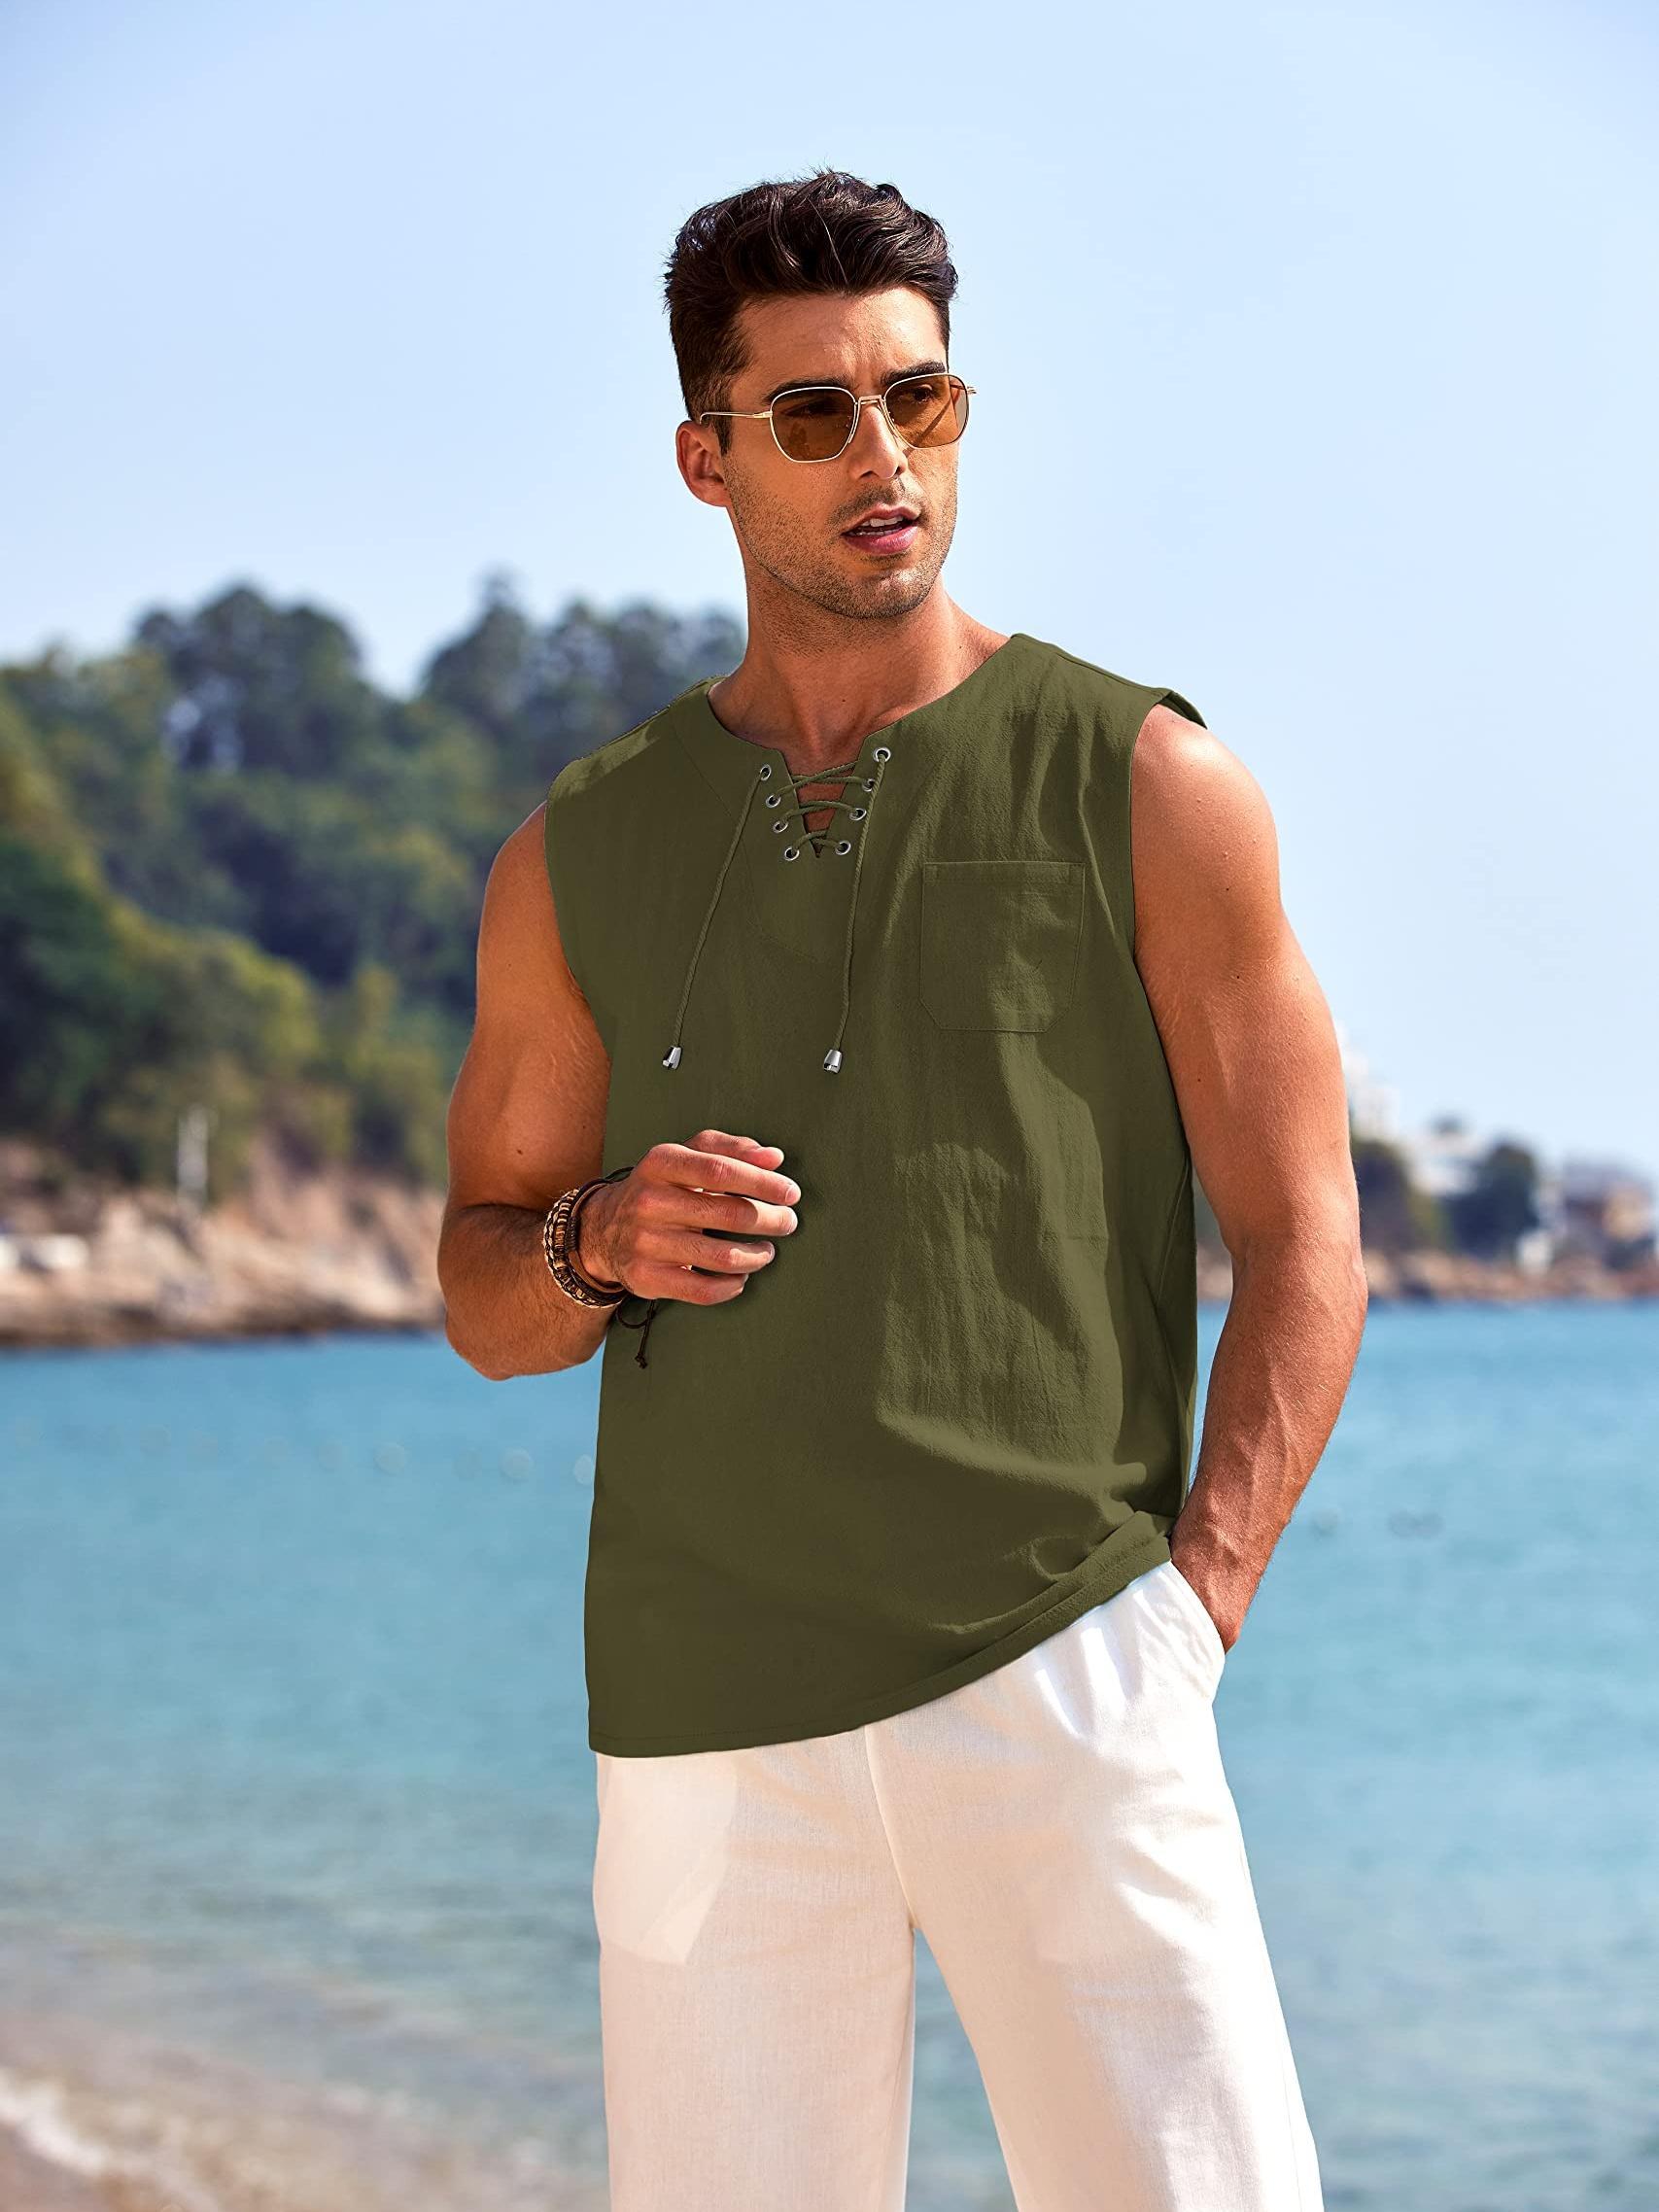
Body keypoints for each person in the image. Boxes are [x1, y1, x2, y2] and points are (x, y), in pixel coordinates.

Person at [438, 166, 1365, 2212]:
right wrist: (595, 1242)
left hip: (1065, 1668)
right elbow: (484, 1290)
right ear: (706, 459)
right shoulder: (577, 850)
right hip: (699, 1716)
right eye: (813, 412)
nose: (883, 456)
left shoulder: (1146, 781)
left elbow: (1308, 1239)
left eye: (919, 398)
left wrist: (1187, 1618)